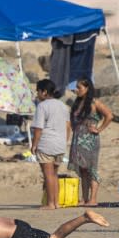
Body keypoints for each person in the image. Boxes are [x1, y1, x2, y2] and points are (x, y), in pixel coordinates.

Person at [67, 78, 114, 206]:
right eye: (76, 87)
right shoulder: (77, 103)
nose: (76, 90)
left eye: (79, 87)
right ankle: (84, 198)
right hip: (78, 139)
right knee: (82, 169)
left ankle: (93, 199)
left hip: (90, 140)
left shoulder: (95, 102)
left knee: (91, 169)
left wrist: (99, 129)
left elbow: (109, 115)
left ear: (87, 89)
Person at [31, 79, 71, 210]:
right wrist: (64, 141)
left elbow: (38, 128)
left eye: (38, 91)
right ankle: (56, 203)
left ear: (44, 92)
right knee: (54, 174)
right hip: (60, 144)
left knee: (48, 174)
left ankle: (50, 203)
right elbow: (68, 126)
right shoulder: (63, 105)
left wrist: (34, 144)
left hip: (47, 143)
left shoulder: (42, 106)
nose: (37, 94)